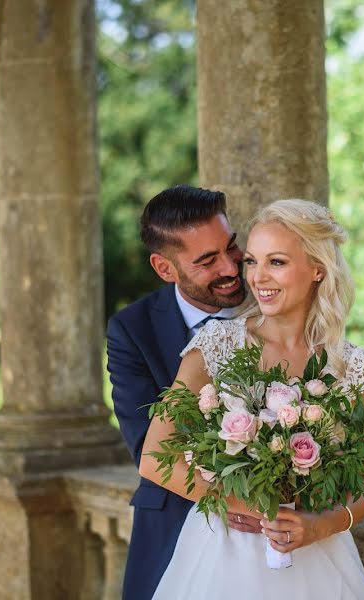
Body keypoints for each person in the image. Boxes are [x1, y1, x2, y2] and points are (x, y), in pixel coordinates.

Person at [139, 199, 364, 599]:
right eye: (252, 261)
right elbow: (153, 459)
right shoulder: (216, 344)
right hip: (222, 557)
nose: (257, 276)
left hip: (316, 559)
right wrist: (246, 505)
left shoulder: (348, 363)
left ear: (318, 269)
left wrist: (319, 525)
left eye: (277, 262)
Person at [106, 185, 260, 600]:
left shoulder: (275, 305)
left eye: (231, 248)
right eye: (207, 261)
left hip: (276, 537)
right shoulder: (131, 329)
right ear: (165, 268)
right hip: (174, 524)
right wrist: (245, 503)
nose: (231, 267)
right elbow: (149, 450)